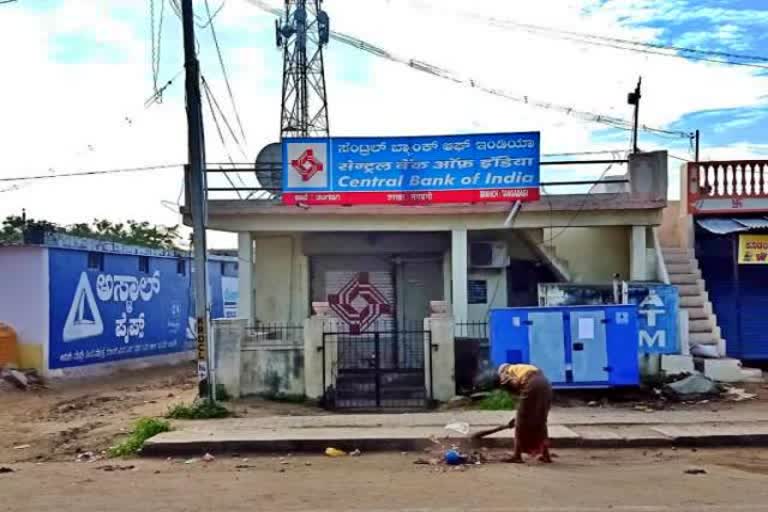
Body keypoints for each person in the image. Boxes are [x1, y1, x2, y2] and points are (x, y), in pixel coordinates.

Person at [497, 363, 553, 463]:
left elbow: (512, 384)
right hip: (546, 384)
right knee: (540, 420)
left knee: (520, 422)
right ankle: (546, 455)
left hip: (532, 384)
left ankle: (517, 456)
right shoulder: (522, 367)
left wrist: (519, 415)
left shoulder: (506, 371)